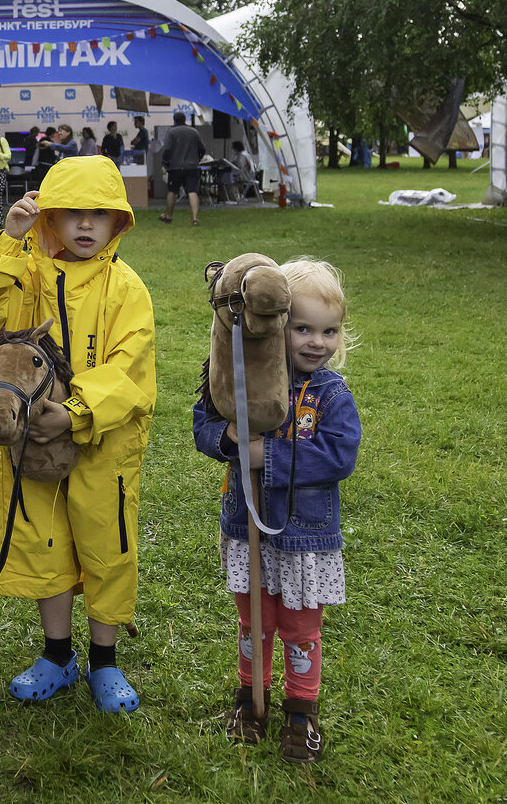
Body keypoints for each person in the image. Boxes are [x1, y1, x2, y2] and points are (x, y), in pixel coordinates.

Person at [0, 156, 156, 714]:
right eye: (71, 213)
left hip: (104, 443)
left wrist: (76, 413)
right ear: (49, 216)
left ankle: (104, 660)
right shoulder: (28, 274)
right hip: (34, 445)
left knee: (105, 545)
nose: (85, 225)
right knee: (43, 540)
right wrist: (9, 239)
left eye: (99, 213)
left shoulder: (127, 288)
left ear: (118, 221)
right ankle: (57, 654)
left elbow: (131, 368)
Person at [192, 257, 360, 764]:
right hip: (250, 532)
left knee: (300, 627)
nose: (317, 342)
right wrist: (228, 436)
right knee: (254, 623)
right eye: (303, 328)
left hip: (305, 540)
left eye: (329, 331)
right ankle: (251, 700)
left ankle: (300, 711)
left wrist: (271, 455)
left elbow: (339, 455)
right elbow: (203, 423)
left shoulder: (331, 394)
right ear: (276, 325)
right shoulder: (240, 380)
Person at [159, 111, 207, 226]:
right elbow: (202, 149)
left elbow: (168, 149)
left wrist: (165, 164)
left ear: (174, 120)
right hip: (192, 167)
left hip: (175, 167)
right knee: (192, 191)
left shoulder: (171, 132)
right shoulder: (194, 132)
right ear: (185, 120)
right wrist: (197, 159)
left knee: (172, 191)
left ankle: (169, 215)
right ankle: (195, 218)